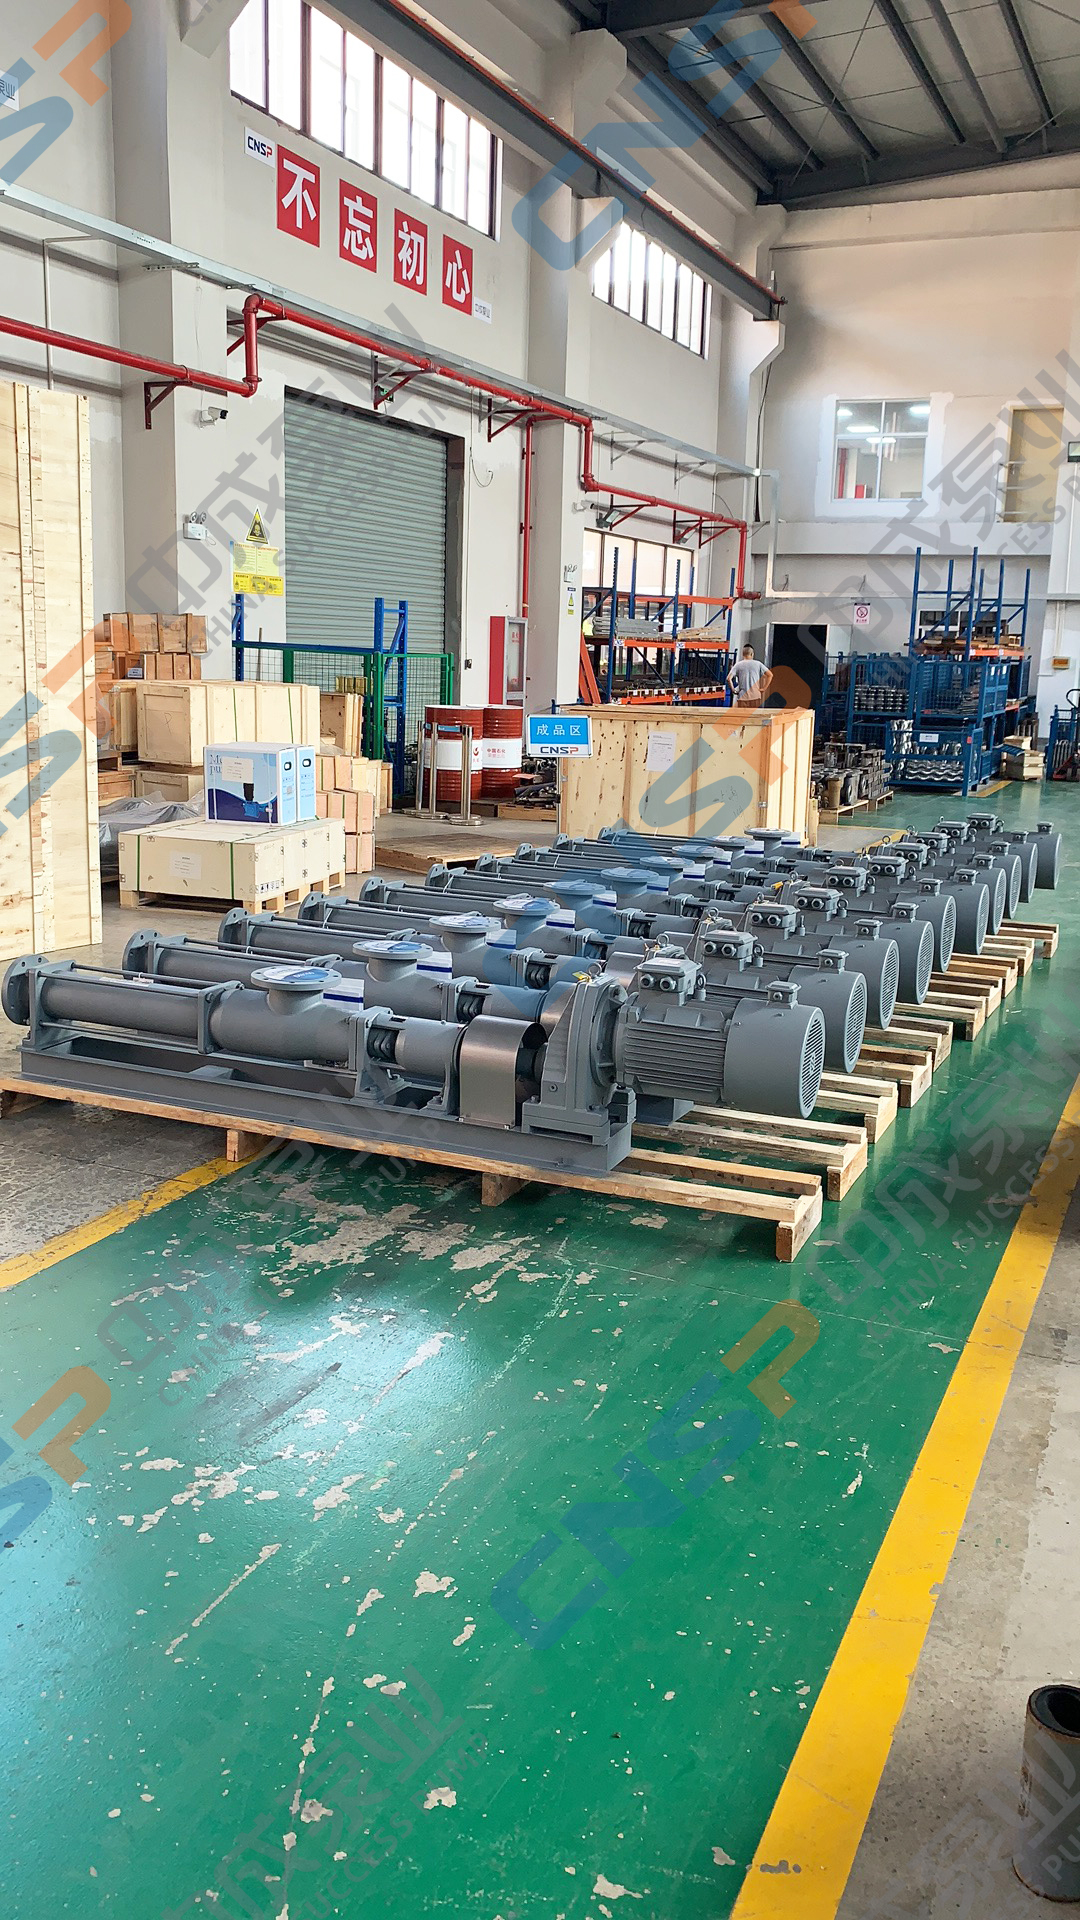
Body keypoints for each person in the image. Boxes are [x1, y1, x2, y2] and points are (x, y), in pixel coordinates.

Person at [727, 644, 773, 708]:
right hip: (755, 697)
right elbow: (770, 675)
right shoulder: (758, 664)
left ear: (743, 654)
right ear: (752, 654)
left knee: (742, 714)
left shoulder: (738, 665)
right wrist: (764, 688)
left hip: (742, 697)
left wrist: (733, 690)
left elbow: (728, 679)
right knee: (753, 714)